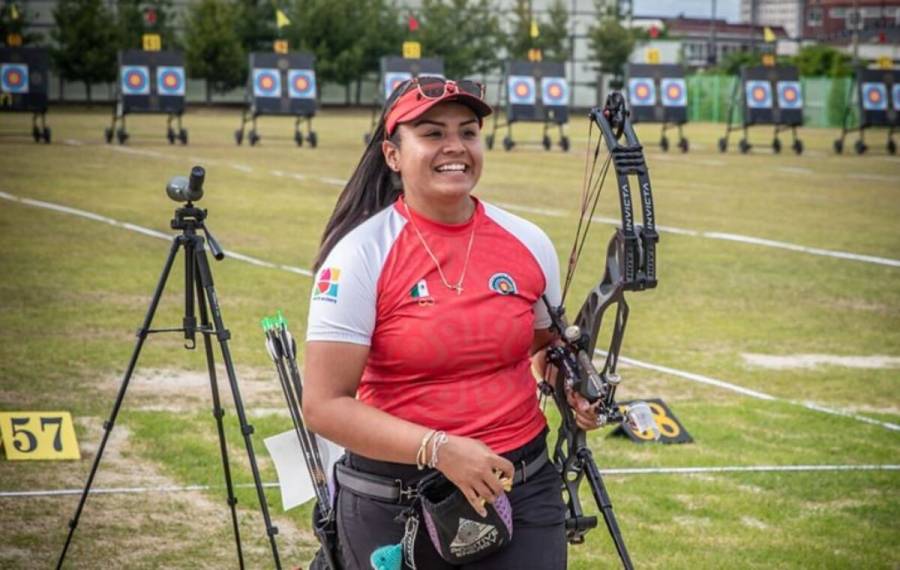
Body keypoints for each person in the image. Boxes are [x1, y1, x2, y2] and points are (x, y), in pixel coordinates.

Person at [303, 77, 600, 570]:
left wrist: (569, 383)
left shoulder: (526, 241)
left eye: (468, 132)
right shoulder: (359, 255)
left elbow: (543, 346)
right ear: (393, 154)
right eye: (433, 133)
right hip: (398, 501)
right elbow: (324, 405)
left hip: (520, 488)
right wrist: (438, 449)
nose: (455, 147)